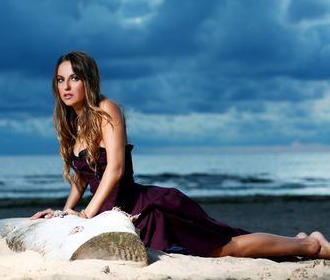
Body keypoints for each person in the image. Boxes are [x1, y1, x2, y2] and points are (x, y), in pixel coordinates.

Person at [30, 50, 330, 259]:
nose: (66, 86)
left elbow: (115, 169)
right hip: (110, 216)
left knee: (226, 247)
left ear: (88, 81)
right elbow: (82, 181)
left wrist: (85, 215)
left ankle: (312, 247)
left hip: (147, 210)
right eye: (60, 80)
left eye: (73, 78)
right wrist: (62, 214)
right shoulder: (72, 123)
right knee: (225, 240)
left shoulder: (107, 110)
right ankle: (299, 241)